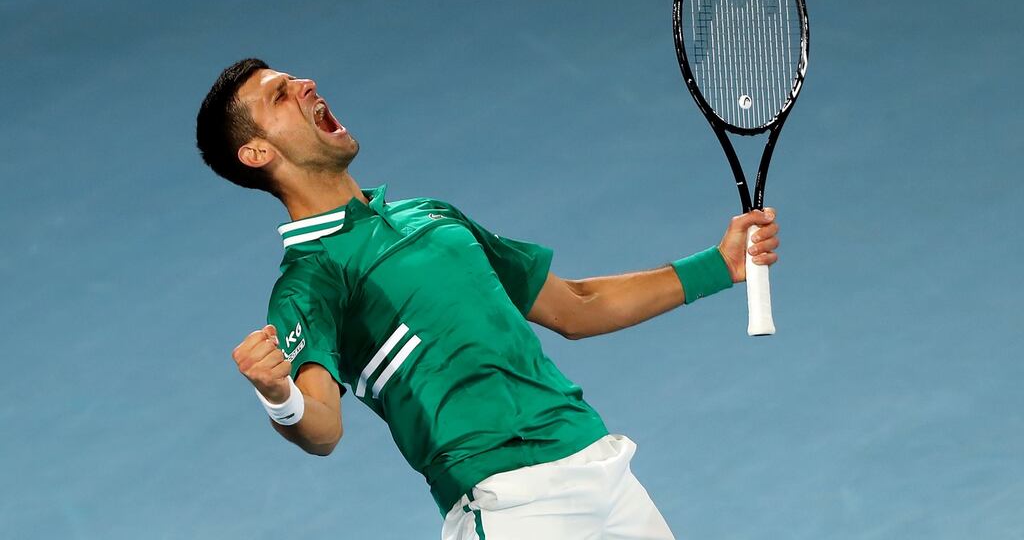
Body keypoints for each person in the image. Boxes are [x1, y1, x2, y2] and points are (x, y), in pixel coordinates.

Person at [196, 58, 779, 539]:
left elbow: (575, 306)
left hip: (601, 466)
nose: (306, 84)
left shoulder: (431, 215)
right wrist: (280, 398)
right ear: (256, 154)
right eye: (279, 97)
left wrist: (717, 266)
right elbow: (321, 427)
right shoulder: (310, 280)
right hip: (509, 506)